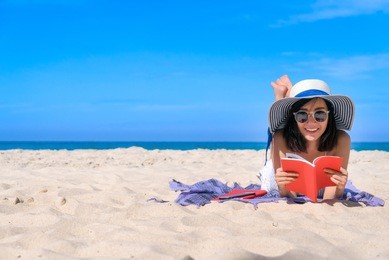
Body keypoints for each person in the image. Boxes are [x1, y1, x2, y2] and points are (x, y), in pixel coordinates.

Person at [259, 75, 355, 201]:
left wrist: (339, 189)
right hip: (278, 170)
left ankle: (291, 97)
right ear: (294, 118)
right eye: (302, 115)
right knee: (276, 134)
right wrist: (283, 187)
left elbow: (330, 199)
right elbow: (288, 196)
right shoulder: (281, 138)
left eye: (319, 114)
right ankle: (281, 97)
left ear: (330, 116)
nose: (311, 122)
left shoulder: (341, 140)